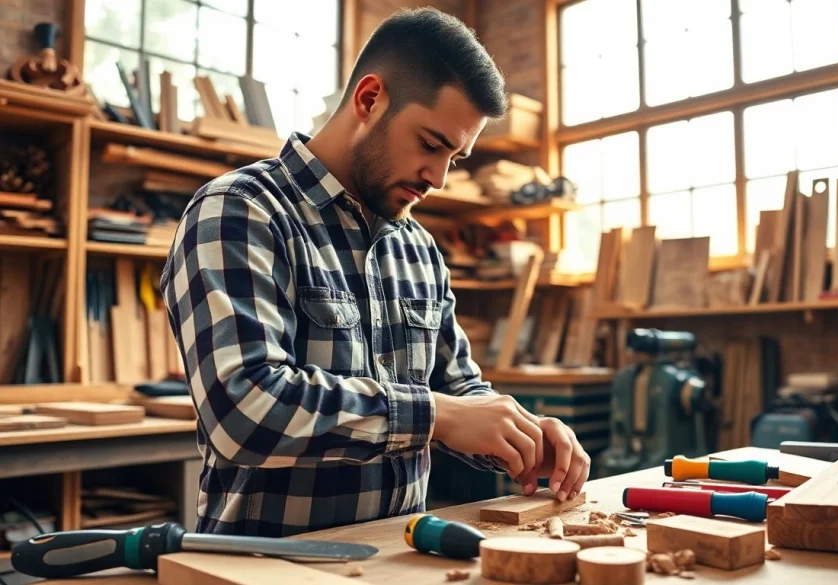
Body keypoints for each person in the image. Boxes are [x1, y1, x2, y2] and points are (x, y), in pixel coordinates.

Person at [160, 7, 590, 537]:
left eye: (455, 158)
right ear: (369, 99)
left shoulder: (419, 248)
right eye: (431, 144)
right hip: (263, 564)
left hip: (396, 559)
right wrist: (436, 415)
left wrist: (521, 436)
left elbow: (455, 387)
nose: (438, 178)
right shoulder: (240, 210)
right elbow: (243, 410)